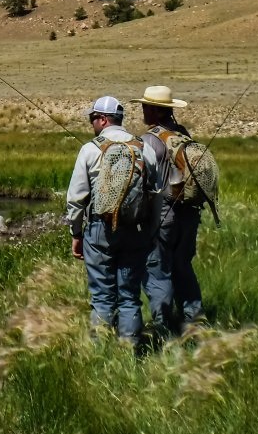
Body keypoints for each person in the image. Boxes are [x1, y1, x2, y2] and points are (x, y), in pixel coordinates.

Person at [65, 96, 150, 345]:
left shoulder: (90, 149)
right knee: (129, 296)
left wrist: (76, 234)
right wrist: (150, 231)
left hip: (100, 230)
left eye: (93, 118)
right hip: (135, 229)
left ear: (102, 119)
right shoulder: (142, 147)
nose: (91, 123)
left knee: (102, 297)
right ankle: (130, 351)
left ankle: (101, 353)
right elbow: (154, 193)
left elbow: (76, 198)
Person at [131, 85, 205, 334]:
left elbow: (141, 183)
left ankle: (164, 329)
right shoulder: (183, 134)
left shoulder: (149, 140)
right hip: (190, 215)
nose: (142, 109)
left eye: (145, 106)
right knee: (184, 268)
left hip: (162, 219)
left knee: (158, 273)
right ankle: (193, 323)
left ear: (153, 110)